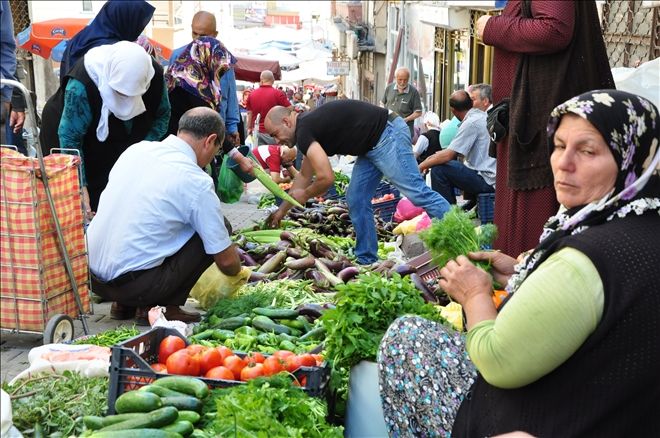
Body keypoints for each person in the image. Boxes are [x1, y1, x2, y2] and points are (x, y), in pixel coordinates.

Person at [378, 90, 660, 437]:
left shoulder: (586, 260)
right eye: (558, 145)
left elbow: (498, 362)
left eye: (587, 151)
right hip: (605, 407)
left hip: (545, 420)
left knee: (407, 339)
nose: (563, 163)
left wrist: (474, 296)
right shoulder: (644, 224)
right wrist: (521, 275)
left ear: (629, 157)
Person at [476, 0, 615, 257]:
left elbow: (554, 29)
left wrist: (492, 27)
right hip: (532, 126)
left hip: (538, 132)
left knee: (530, 245)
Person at [88, 107, 243, 325]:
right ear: (210, 140)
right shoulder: (196, 179)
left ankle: (124, 306)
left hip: (94, 280)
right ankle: (165, 306)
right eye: (216, 152)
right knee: (218, 228)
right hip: (138, 287)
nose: (210, 160)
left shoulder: (136, 150)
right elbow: (226, 262)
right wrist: (240, 270)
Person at [263, 100, 451, 264]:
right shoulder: (305, 127)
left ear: (287, 121)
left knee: (417, 193)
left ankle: (468, 240)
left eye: (275, 134)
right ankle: (367, 258)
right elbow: (303, 177)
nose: (277, 141)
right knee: (356, 198)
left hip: (387, 134)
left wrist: (305, 194)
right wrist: (281, 212)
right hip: (372, 143)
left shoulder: (304, 130)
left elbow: (326, 178)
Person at [40, 41, 170, 215]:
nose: (126, 101)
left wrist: (140, 153)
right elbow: (70, 138)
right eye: (119, 93)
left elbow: (163, 116)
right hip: (72, 134)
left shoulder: (153, 75)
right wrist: (80, 185)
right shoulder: (83, 83)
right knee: (86, 204)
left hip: (123, 138)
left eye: (132, 95)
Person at [169, 11, 242, 150]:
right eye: (194, 33)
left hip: (216, 134)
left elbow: (230, 97)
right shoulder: (178, 56)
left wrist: (232, 127)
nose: (197, 39)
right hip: (186, 133)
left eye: (202, 35)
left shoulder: (223, 61)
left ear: (215, 35)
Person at [418, 90, 496, 205]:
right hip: (489, 176)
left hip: (487, 180)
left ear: (453, 110)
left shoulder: (471, 123)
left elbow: (448, 155)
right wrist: (431, 159)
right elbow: (450, 153)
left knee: (438, 170)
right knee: (443, 163)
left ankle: (447, 214)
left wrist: (420, 166)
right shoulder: (480, 116)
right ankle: (464, 207)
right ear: (471, 103)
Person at [59, 0, 155, 84]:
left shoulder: (79, 38)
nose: (138, 29)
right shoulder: (114, 50)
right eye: (136, 22)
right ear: (125, 20)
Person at [245, 70, 291, 145]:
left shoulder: (252, 94)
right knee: (274, 155)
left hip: (257, 132)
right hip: (275, 133)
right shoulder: (278, 94)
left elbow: (249, 113)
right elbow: (290, 109)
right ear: (273, 80)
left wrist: (249, 128)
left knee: (257, 155)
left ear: (261, 80)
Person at [381, 67, 423, 138]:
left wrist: (406, 119)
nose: (402, 82)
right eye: (400, 79)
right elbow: (382, 103)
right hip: (388, 130)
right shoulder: (389, 88)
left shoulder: (414, 92)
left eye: (405, 80)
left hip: (405, 132)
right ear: (395, 78)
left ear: (408, 79)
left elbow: (418, 112)